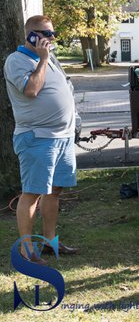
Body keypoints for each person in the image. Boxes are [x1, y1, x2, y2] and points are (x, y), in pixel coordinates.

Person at [3, 15, 79, 264]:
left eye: (52, 34)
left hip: (63, 137)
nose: (51, 39)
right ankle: (26, 249)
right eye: (46, 34)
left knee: (55, 191)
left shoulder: (50, 58)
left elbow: (64, 89)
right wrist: (43, 59)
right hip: (37, 138)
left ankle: (49, 242)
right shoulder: (16, 60)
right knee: (32, 193)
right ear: (31, 35)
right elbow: (32, 89)